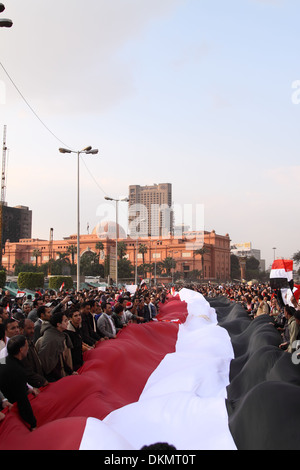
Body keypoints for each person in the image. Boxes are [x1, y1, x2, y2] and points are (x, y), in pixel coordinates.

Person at [0, 335, 39, 430]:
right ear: (21, 350)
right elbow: (23, 401)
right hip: (10, 408)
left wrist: (27, 388)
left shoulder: (3, 361)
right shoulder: (17, 370)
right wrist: (32, 423)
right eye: (26, 346)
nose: (28, 348)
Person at [37, 310, 77, 382]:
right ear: (58, 324)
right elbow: (50, 364)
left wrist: (70, 372)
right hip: (53, 378)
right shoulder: (51, 339)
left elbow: (60, 357)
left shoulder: (59, 335)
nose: (67, 322)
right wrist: (61, 379)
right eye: (65, 321)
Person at [19, 318, 48, 388]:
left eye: (33, 328)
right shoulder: (22, 347)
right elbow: (27, 370)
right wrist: (41, 380)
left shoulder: (30, 342)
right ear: (21, 329)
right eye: (29, 328)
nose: (32, 331)